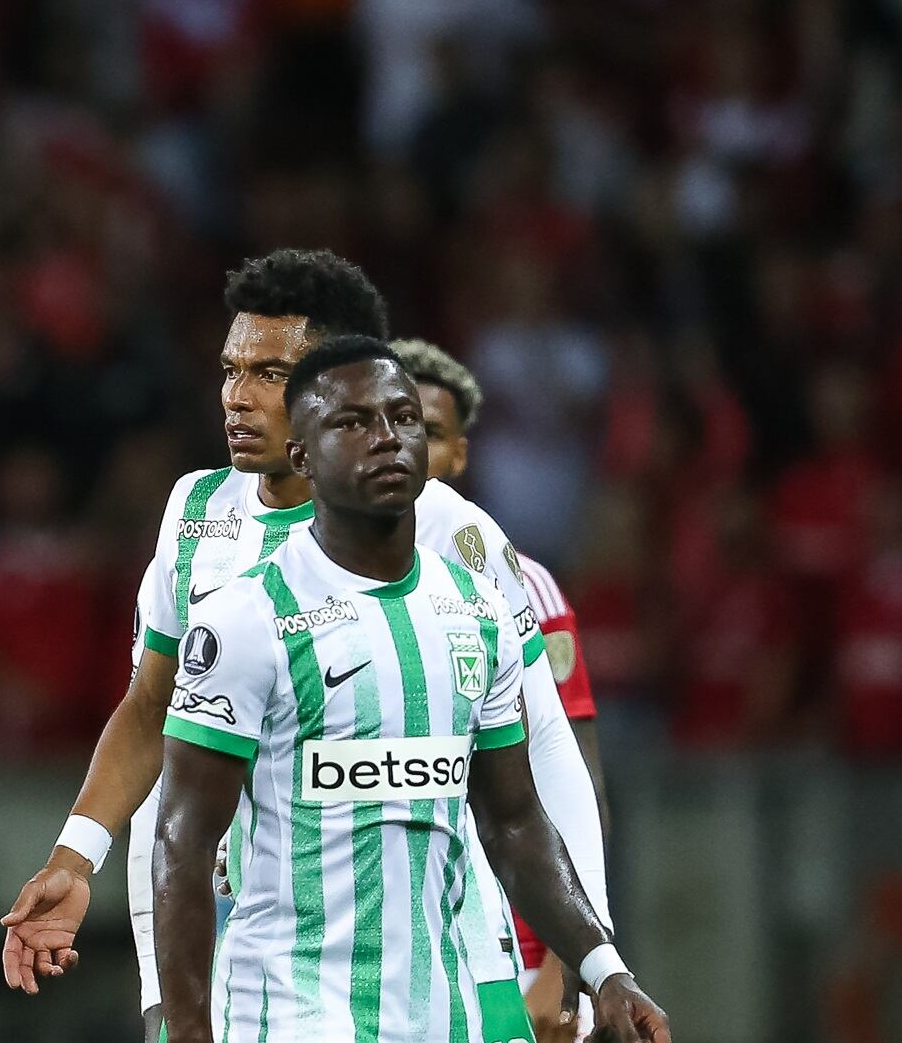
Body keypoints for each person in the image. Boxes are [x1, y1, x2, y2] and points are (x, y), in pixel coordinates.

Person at [0, 250, 611, 1043]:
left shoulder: (451, 532)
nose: (235, 398)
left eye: (267, 373)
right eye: (229, 370)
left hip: (450, 956)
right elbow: (152, 716)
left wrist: (580, 966)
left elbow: (546, 751)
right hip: (260, 958)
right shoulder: (195, 513)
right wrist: (76, 859)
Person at [151, 335, 668, 1043]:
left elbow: (513, 821)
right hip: (293, 1013)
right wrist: (182, 1026)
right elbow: (182, 840)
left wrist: (604, 966)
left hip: (443, 1012)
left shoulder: (475, 609)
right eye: (352, 423)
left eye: (402, 419)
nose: (386, 439)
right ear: (301, 455)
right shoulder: (245, 619)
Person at [393, 337, 608, 1041]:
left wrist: (568, 958)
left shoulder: (519, 586)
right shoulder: (305, 580)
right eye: (383, 420)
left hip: (512, 926)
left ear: (458, 453)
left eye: (426, 429)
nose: (400, 443)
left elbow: (568, 768)